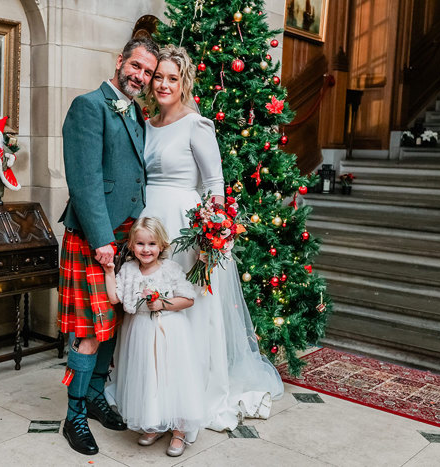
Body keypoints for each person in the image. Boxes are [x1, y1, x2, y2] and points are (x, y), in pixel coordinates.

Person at [138, 45, 285, 437]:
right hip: (150, 227)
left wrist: (213, 234)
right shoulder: (145, 123)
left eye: (173, 77)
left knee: (185, 313)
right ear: (150, 82)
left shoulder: (196, 124)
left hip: (187, 232)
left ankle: (188, 401)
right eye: (159, 77)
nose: (164, 84)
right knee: (152, 313)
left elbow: (214, 184)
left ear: (184, 81)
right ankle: (154, 399)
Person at [57, 37, 159, 456]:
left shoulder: (137, 113)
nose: (140, 76)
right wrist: (101, 239)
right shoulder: (88, 105)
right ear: (120, 62)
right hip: (93, 237)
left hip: (125, 240)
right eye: (135, 66)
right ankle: (74, 416)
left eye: (148, 72)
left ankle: (96, 398)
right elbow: (83, 180)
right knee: (89, 331)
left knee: (111, 325)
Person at [102, 217, 202, 457]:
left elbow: (188, 298)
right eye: (140, 244)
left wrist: (162, 303)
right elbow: (115, 298)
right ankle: (154, 423)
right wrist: (108, 271)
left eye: (151, 244)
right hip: (141, 332)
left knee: (171, 376)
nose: (146, 249)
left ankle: (179, 430)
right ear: (132, 245)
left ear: (162, 245)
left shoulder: (170, 269)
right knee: (148, 376)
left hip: (169, 332)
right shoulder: (128, 270)